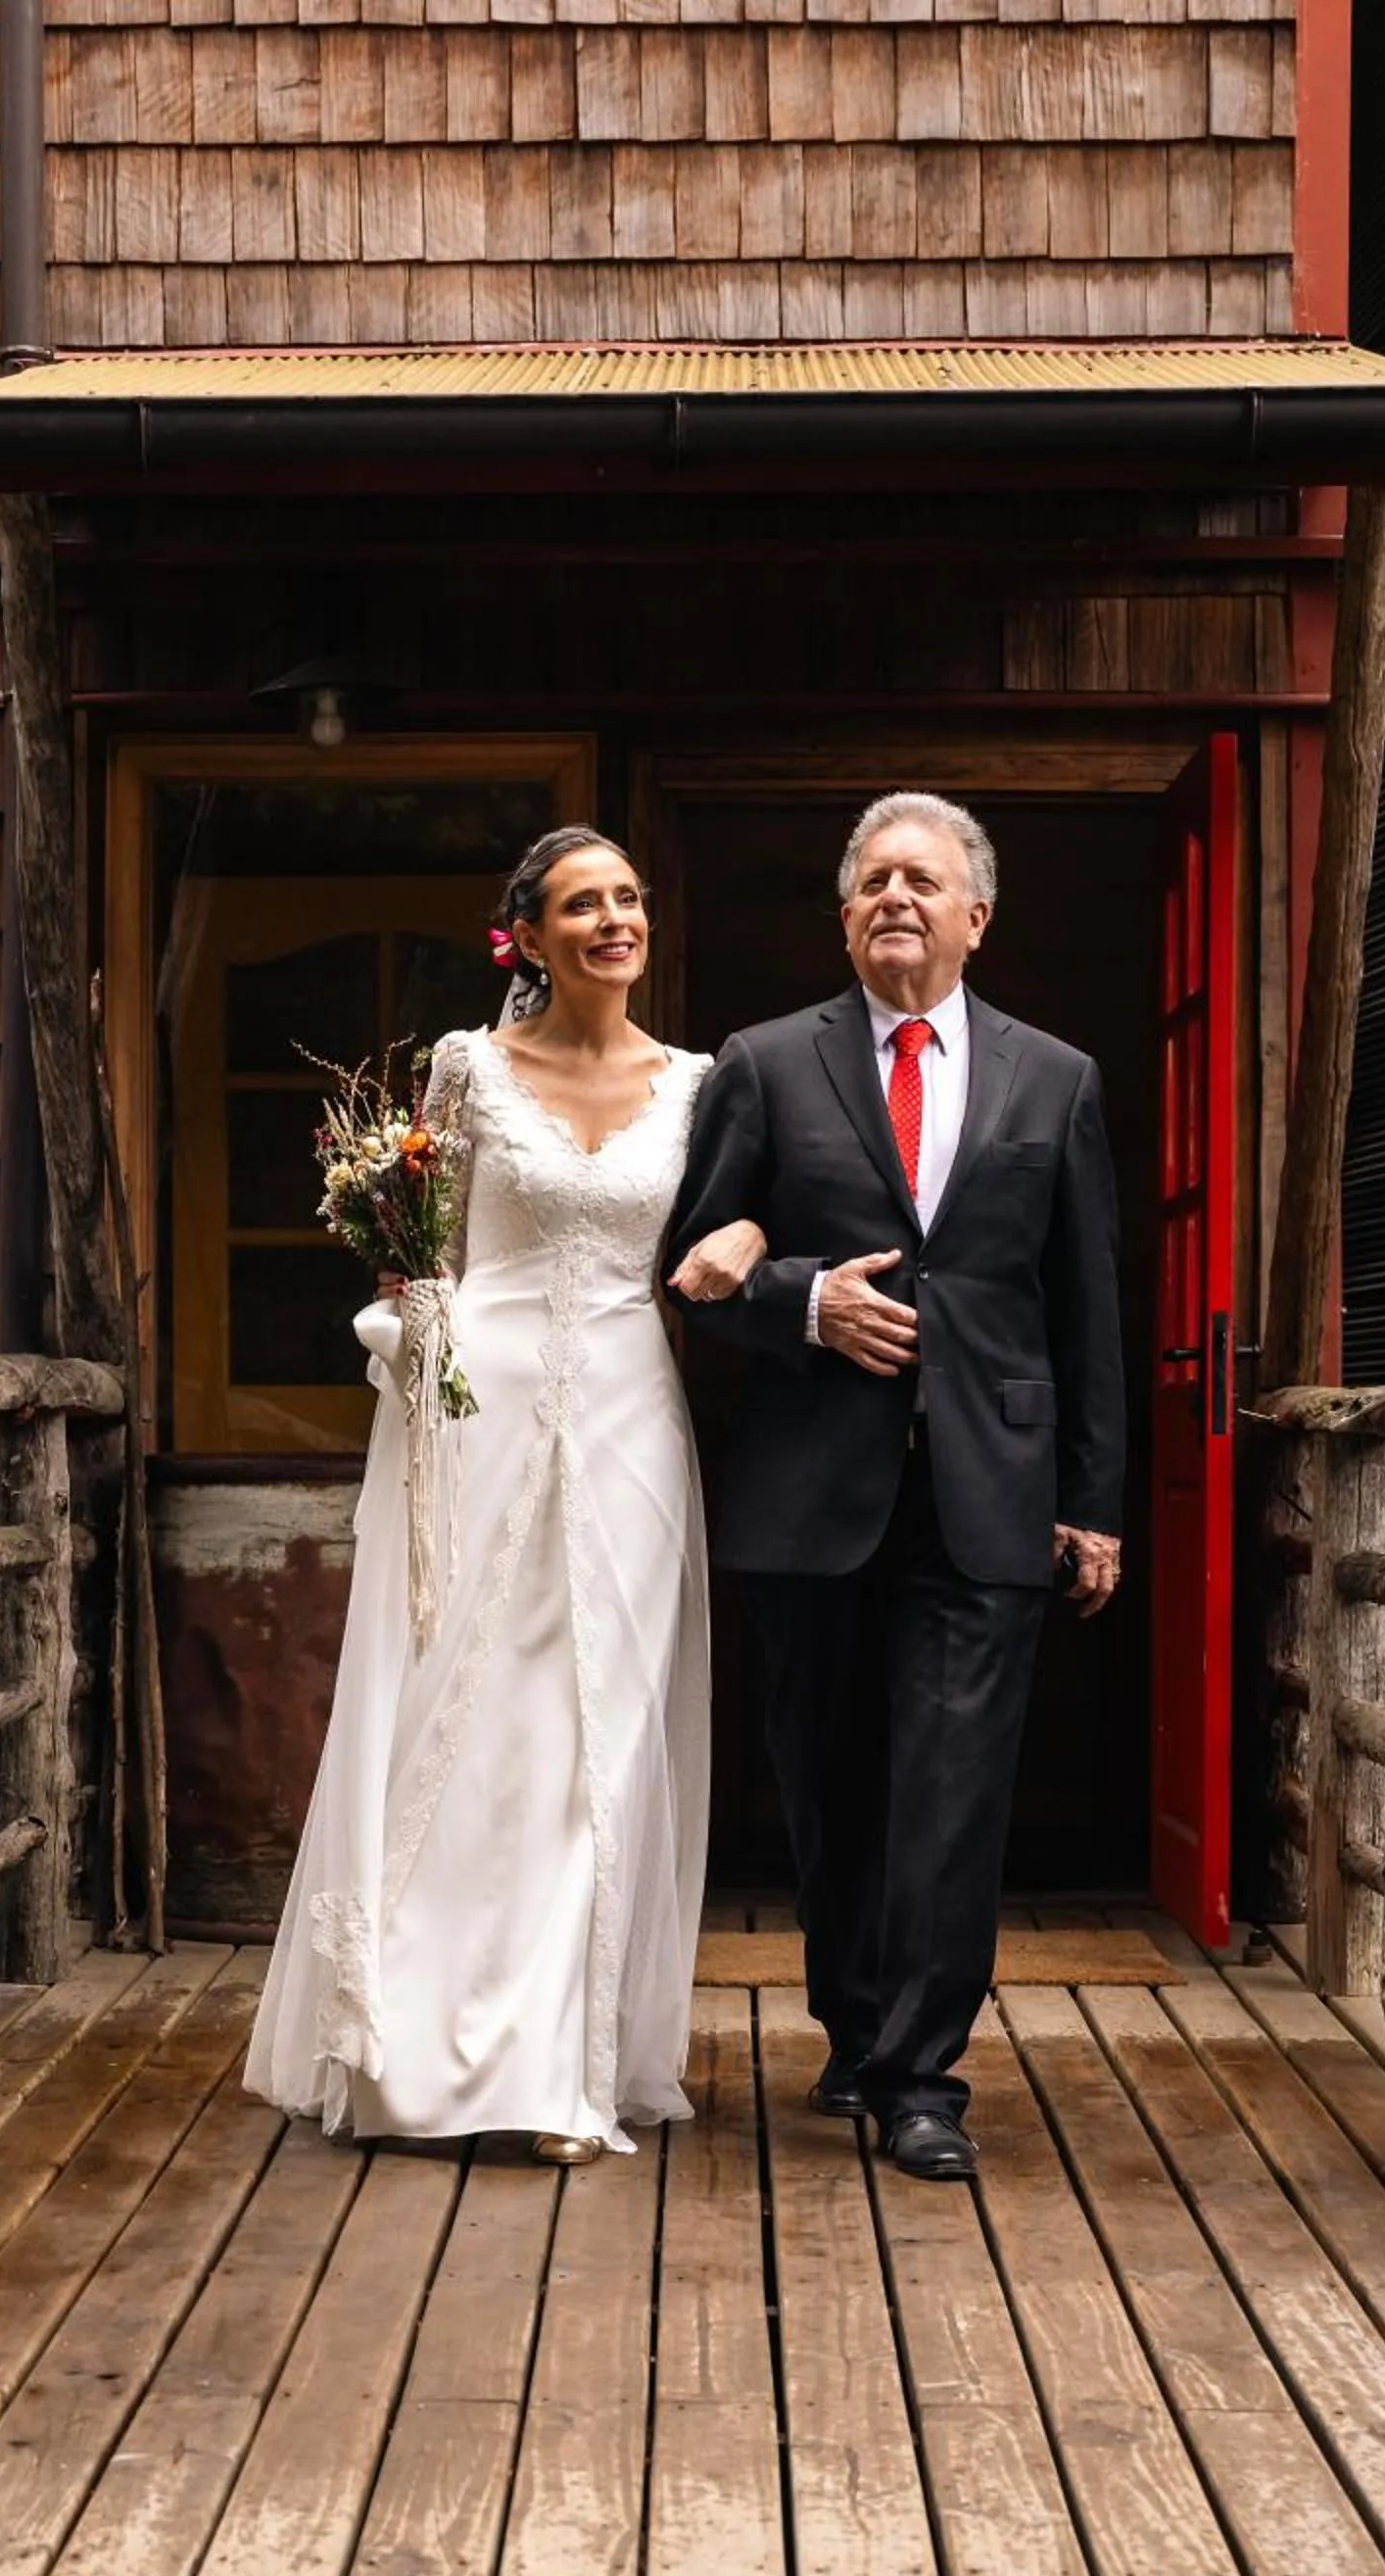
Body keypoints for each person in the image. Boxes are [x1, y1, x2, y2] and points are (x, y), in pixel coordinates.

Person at [245, 827, 759, 2164]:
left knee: (603, 1720)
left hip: (632, 1415)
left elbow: (746, 1214)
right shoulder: (467, 1068)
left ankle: (561, 2063)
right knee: (470, 1716)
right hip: (478, 1406)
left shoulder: (701, 1086)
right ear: (527, 936)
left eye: (629, 899)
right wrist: (406, 1319)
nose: (613, 921)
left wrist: (747, 1235)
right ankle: (421, 2043)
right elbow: (427, 1244)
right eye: (583, 904)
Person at [664, 791, 1124, 2182]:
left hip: (986, 1484)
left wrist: (1095, 1500)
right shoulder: (764, 1065)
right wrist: (806, 1305)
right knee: (829, 1781)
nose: (896, 901)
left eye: (924, 881)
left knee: (952, 1785)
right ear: (844, 912)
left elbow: (1085, 1300)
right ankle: (854, 2032)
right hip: (815, 1485)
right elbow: (691, 1267)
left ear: (978, 916)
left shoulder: (1058, 1081)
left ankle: (926, 2076)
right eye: (872, 882)